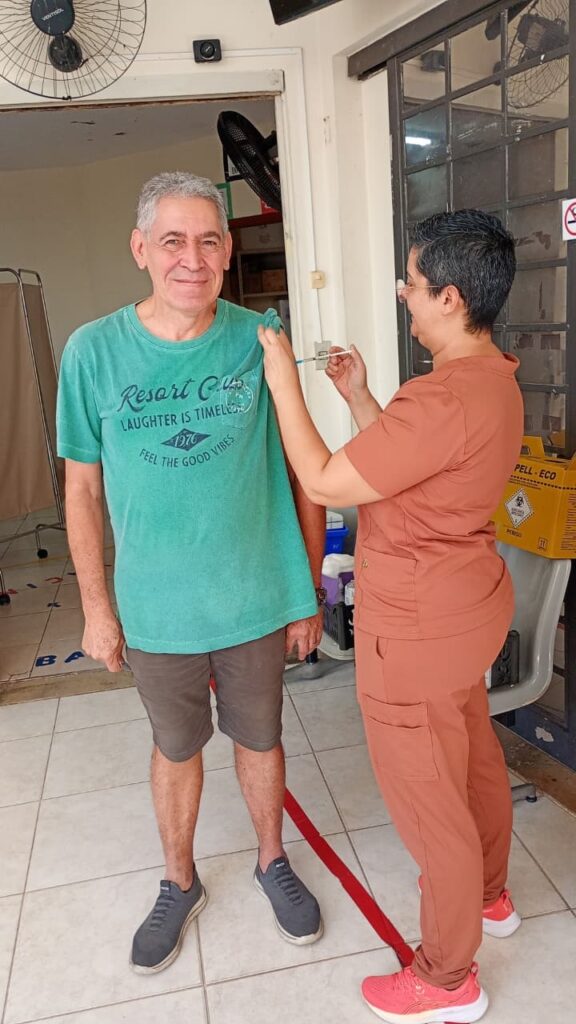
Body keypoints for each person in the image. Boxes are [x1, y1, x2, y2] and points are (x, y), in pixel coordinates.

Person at [257, 208, 524, 1024]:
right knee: (473, 759)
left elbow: (331, 483)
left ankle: (448, 979)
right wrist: (359, 395)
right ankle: (491, 898)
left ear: (448, 296)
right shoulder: (491, 381)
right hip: (466, 610)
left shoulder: (443, 396)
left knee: (428, 801)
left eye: (410, 283)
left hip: (414, 628)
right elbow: (411, 472)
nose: (403, 295)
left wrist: (284, 385)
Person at [56, 171, 326, 975]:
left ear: (229, 248)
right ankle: (179, 881)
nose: (192, 258)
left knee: (261, 739)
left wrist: (307, 590)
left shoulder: (261, 337)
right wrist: (97, 608)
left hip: (254, 598)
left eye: (209, 239)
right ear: (141, 250)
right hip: (157, 611)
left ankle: (273, 860)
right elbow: (81, 488)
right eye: (172, 240)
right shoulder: (93, 351)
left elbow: (303, 469)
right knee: (176, 749)